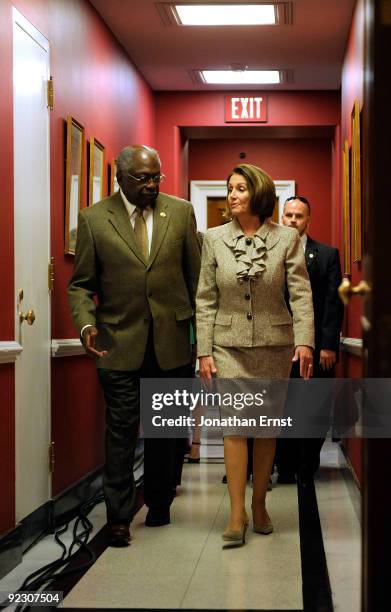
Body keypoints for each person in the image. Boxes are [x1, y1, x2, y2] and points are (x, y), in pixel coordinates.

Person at [68, 145, 201, 545]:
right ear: (120, 177)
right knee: (121, 432)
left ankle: (159, 503)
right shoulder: (94, 219)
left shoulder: (180, 212)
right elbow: (81, 285)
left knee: (166, 433)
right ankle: (119, 516)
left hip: (172, 343)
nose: (151, 185)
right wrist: (86, 324)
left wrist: (203, 338)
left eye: (156, 177)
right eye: (143, 178)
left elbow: (196, 281)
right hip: (118, 343)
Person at [196, 164, 314, 547]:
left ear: (258, 194)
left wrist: (304, 341)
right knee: (233, 427)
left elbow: (300, 294)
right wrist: (204, 351)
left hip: (274, 347)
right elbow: (205, 299)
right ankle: (236, 512)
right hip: (228, 347)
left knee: (265, 429)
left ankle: (259, 504)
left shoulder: (286, 239)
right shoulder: (213, 239)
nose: (232, 195)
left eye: (240, 189)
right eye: (229, 188)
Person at [276, 195, 344, 483]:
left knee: (313, 407)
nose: (293, 220)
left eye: (299, 216)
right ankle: (286, 467)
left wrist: (328, 345)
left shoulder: (327, 255)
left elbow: (332, 302)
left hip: (315, 347)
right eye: (288, 215)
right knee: (284, 407)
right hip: (278, 347)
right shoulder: (271, 252)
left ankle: (307, 465)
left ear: (308, 220)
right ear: (282, 217)